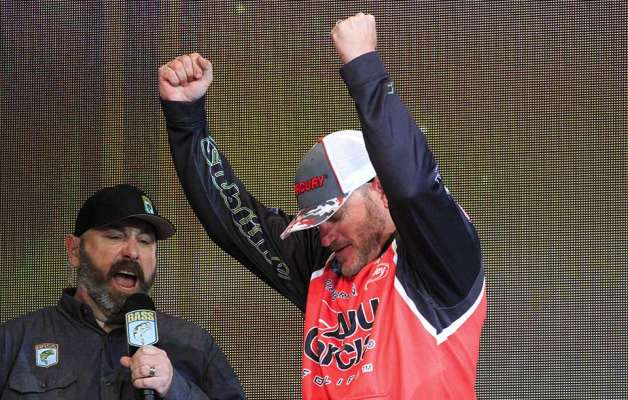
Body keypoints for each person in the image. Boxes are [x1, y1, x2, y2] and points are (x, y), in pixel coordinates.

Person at [160, 13, 486, 400]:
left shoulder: (438, 257)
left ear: (380, 190)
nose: (325, 235)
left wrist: (364, 67)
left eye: (334, 215)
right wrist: (186, 120)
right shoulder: (323, 264)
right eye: (316, 222)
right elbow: (236, 221)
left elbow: (413, 186)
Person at [0, 184, 245, 400]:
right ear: (74, 250)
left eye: (145, 241)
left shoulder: (194, 346)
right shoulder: (14, 341)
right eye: (115, 236)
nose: (133, 252)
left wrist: (174, 387)